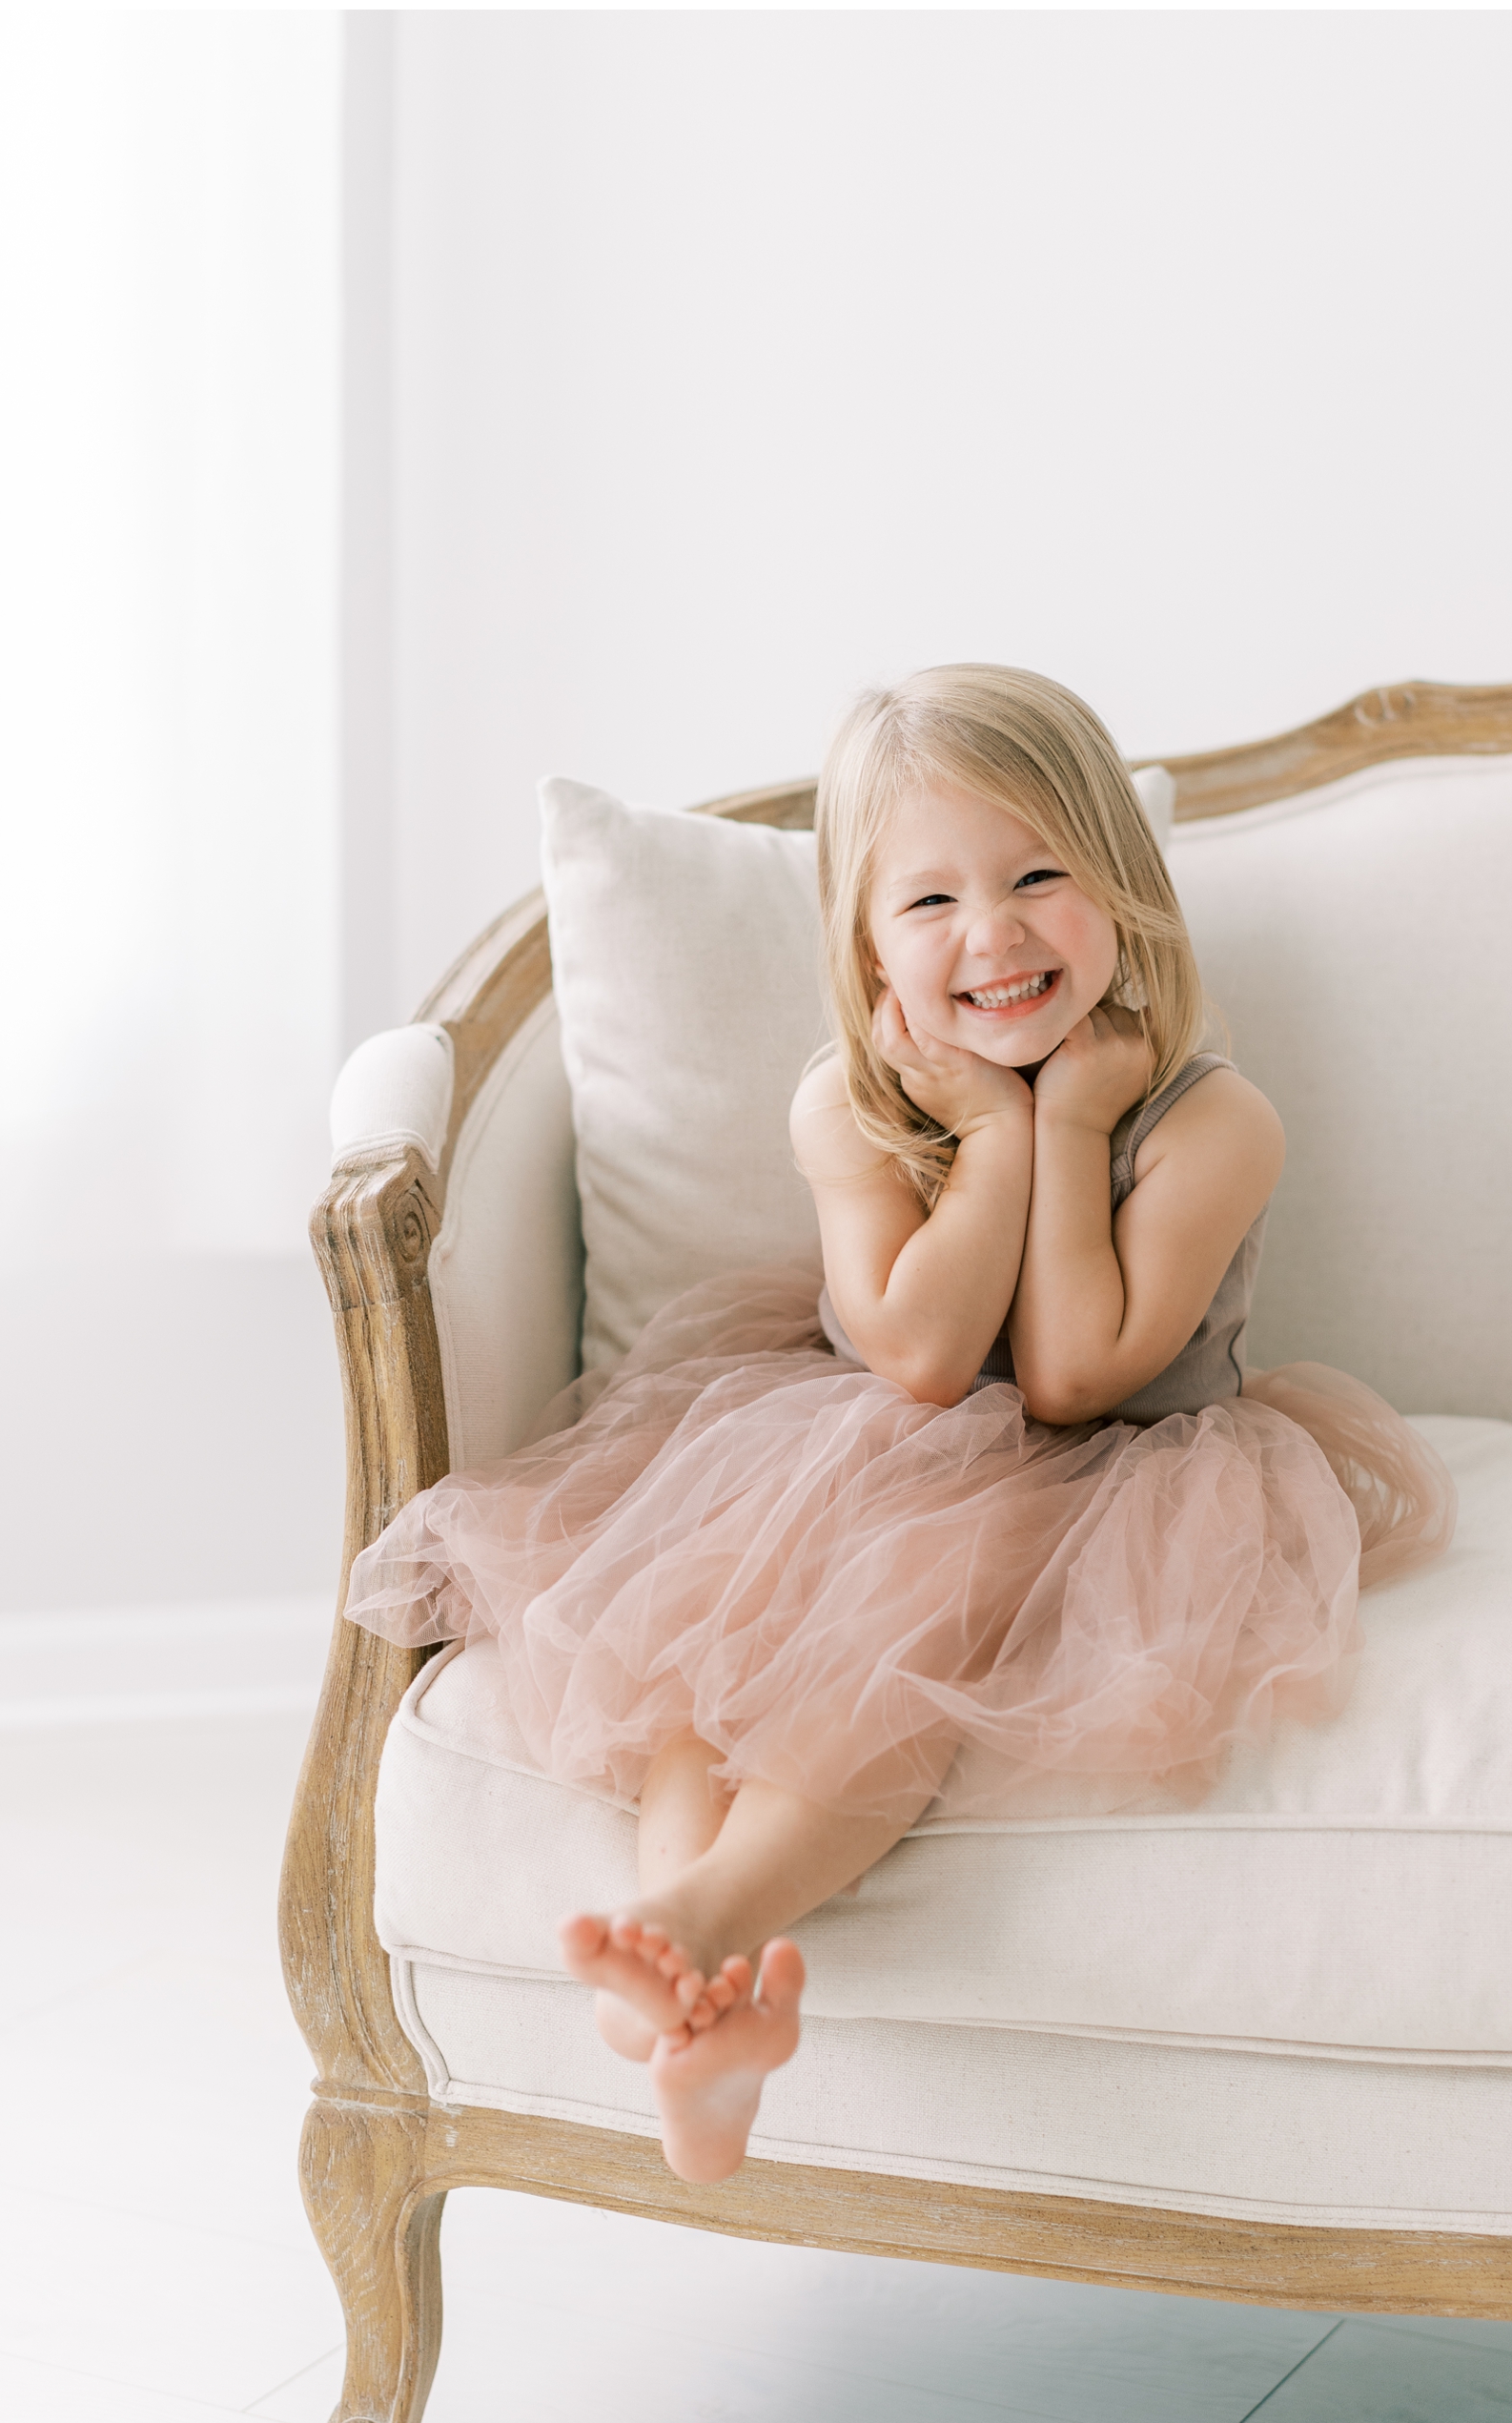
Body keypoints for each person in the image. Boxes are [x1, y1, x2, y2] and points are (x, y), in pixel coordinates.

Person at [344, 664, 1455, 2184]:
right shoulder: (843, 1107)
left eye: (1039, 876)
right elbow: (923, 1355)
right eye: (928, 902)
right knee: (710, 1661)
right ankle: (697, 2003)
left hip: (1109, 1472)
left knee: (893, 1668)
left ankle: (694, 1938)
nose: (989, 932)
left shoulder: (1211, 1120)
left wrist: (1060, 1122)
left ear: (1125, 894)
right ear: (865, 949)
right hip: (863, 1438)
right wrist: (990, 1131)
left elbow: (1070, 1378)